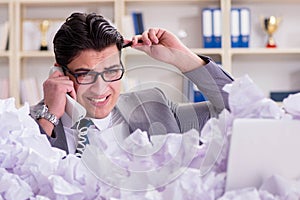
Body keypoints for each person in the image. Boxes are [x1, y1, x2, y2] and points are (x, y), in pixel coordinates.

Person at [30, 12, 233, 155]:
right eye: (85, 75)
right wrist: (49, 118)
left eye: (111, 71)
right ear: (59, 72)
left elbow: (240, 112)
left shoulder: (154, 106)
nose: (100, 88)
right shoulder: (25, 125)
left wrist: (183, 58)